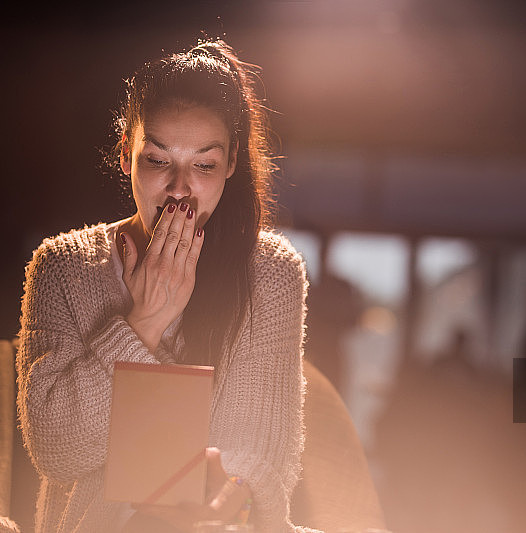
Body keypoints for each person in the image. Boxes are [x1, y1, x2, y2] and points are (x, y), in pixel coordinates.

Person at [16, 37, 315, 533]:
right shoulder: (64, 266)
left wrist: (228, 495)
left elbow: (263, 456)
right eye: (157, 161)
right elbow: (56, 450)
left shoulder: (270, 272)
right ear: (125, 154)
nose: (179, 188)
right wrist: (143, 323)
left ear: (231, 164)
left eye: (204, 165)